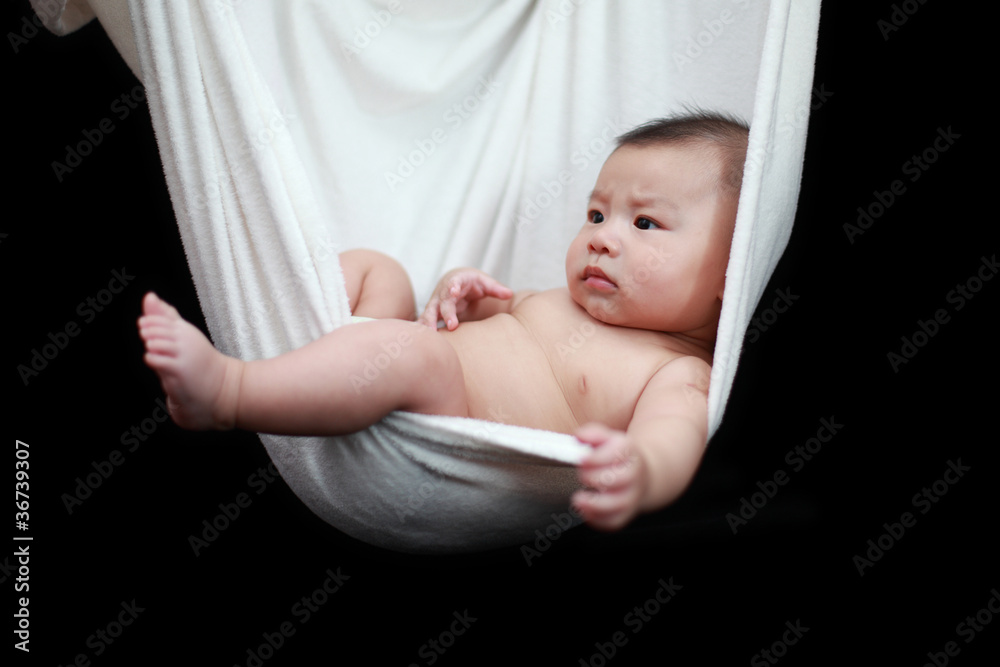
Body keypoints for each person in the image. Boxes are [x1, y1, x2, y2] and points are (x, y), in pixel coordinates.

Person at [137, 111, 749, 532]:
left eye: (644, 224)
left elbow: (673, 438)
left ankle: (231, 391)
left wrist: (640, 471)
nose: (602, 240)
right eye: (595, 214)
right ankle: (290, 357)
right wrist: (458, 291)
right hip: (390, 362)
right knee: (382, 271)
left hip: (444, 431)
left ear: (732, 268)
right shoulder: (564, 302)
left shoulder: (675, 371)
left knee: (414, 354)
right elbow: (482, 319)